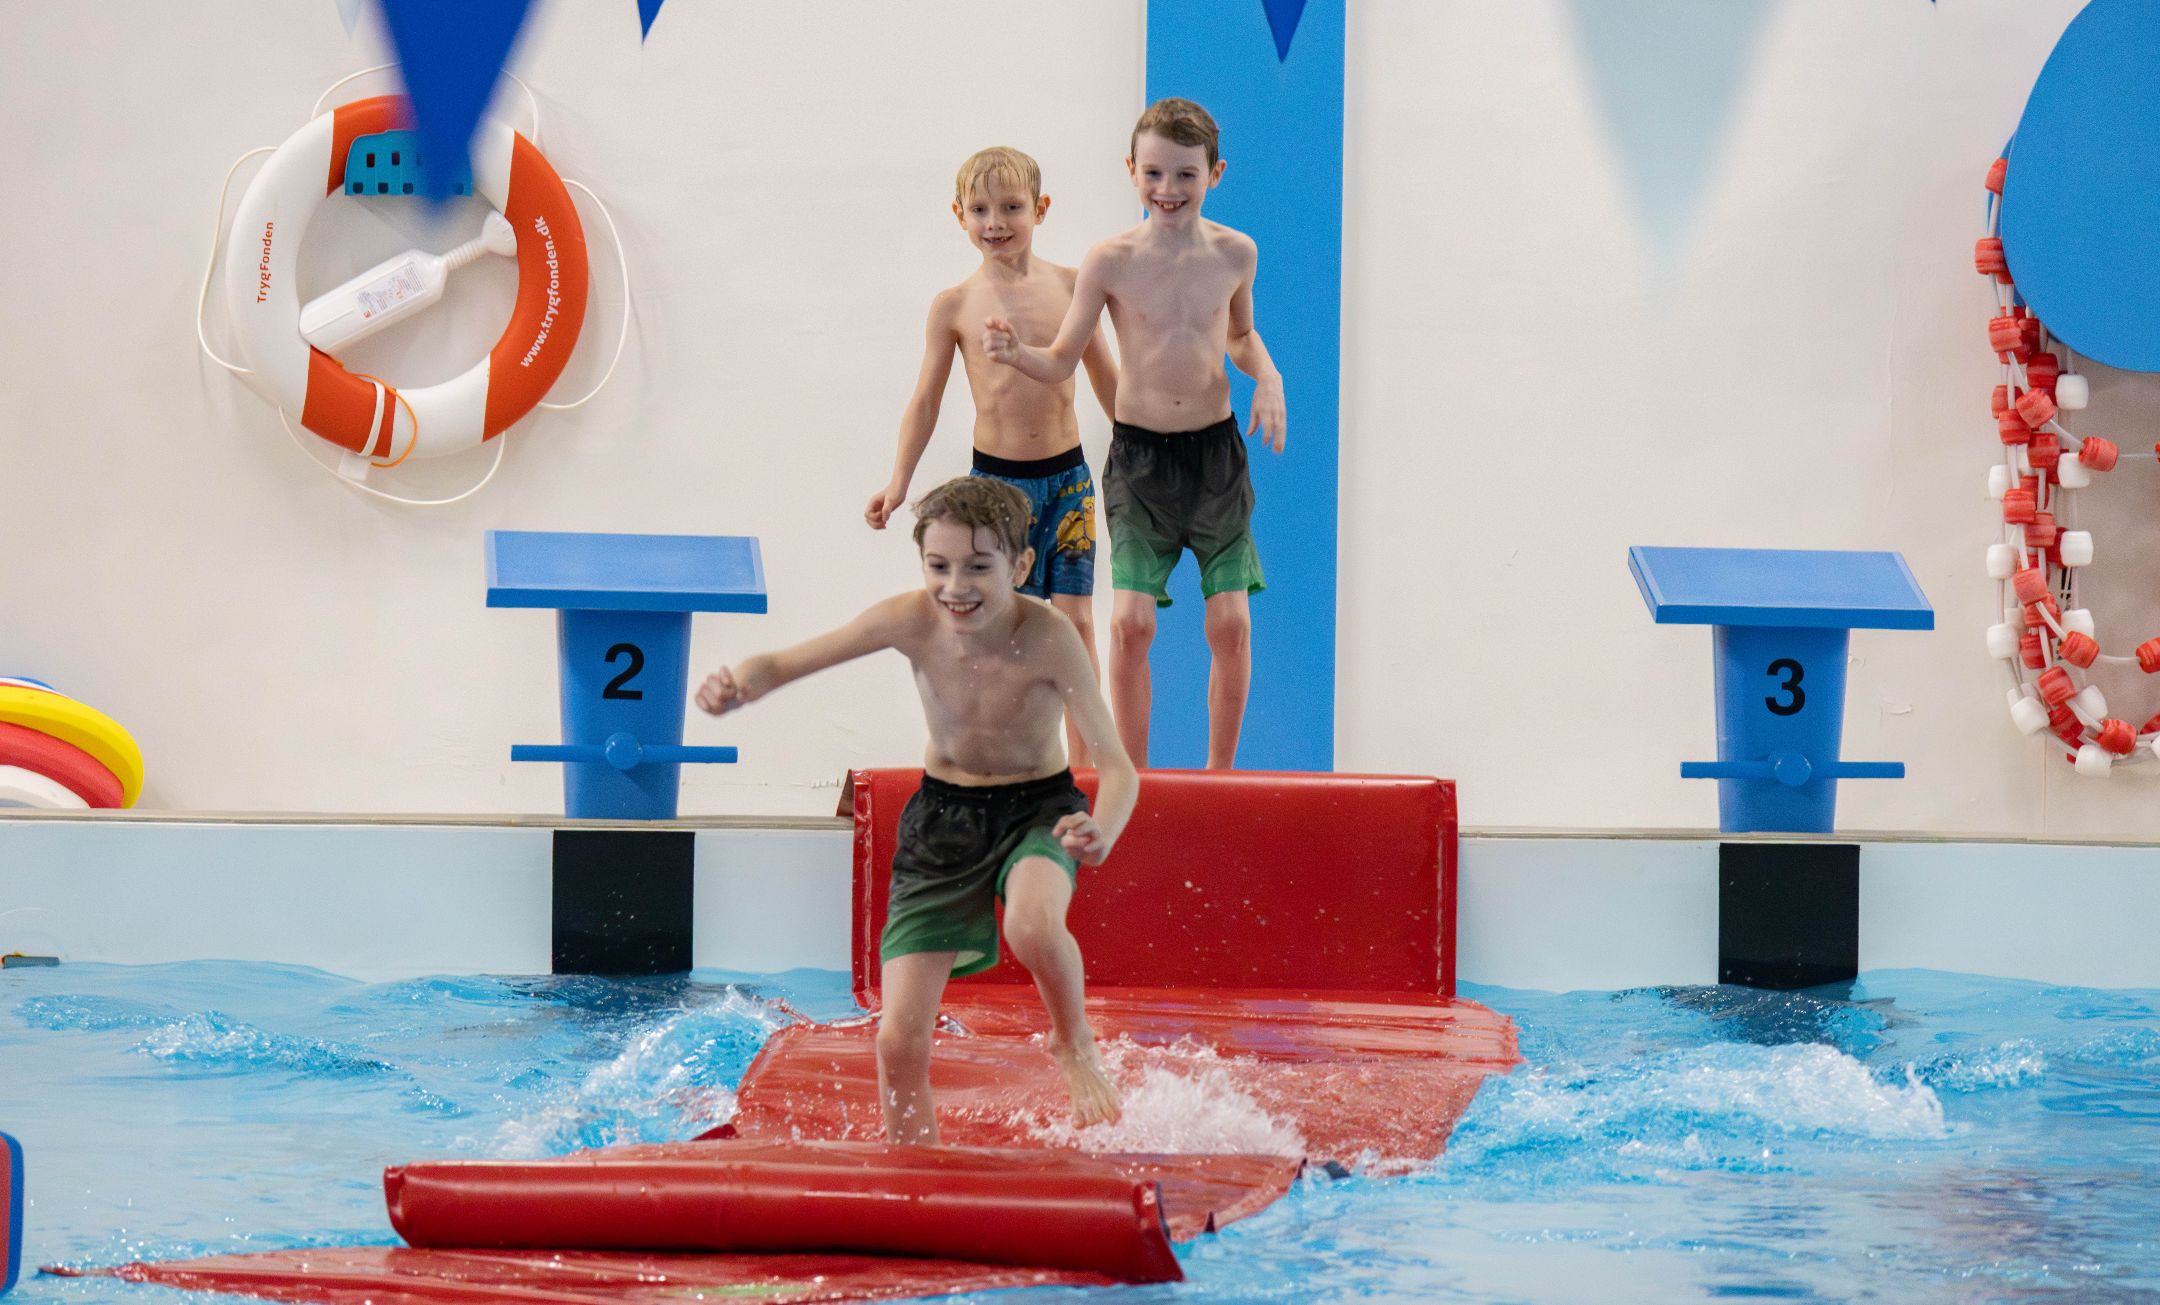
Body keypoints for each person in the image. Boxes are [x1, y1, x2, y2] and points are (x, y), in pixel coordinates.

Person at [700, 476, 1134, 1142]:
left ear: (1021, 565)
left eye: (979, 567)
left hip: (1037, 808)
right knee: (898, 1041)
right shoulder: (910, 619)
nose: (955, 586)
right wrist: (741, 683)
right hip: (942, 819)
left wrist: (1101, 828)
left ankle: (1072, 1041)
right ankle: (915, 1172)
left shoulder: (1050, 636)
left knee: (1033, 922)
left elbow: (1116, 764)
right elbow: (789, 661)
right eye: (939, 566)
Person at [982, 98, 1286, 770]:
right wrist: (1016, 355)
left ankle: (1220, 775)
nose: (1167, 189)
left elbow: (1239, 334)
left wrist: (1268, 376)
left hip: (1214, 456)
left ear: (1215, 174)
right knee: (1129, 623)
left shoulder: (1236, 253)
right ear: (1131, 171)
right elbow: (1062, 358)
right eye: (1153, 173)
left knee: (1231, 623)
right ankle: (1135, 776)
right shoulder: (1110, 260)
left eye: (1185, 175)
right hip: (1141, 459)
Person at [866, 146, 1121, 765]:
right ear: (959, 215)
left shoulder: (1072, 288)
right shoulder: (955, 305)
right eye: (980, 210)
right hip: (996, 489)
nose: (995, 222)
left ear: (1041, 208)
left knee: (1077, 624)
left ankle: (1085, 769)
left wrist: (1147, 454)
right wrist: (899, 481)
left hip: (1068, 482)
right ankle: (1007, 759)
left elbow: (1106, 379)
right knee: (1001, 632)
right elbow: (925, 400)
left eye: (1011, 207)